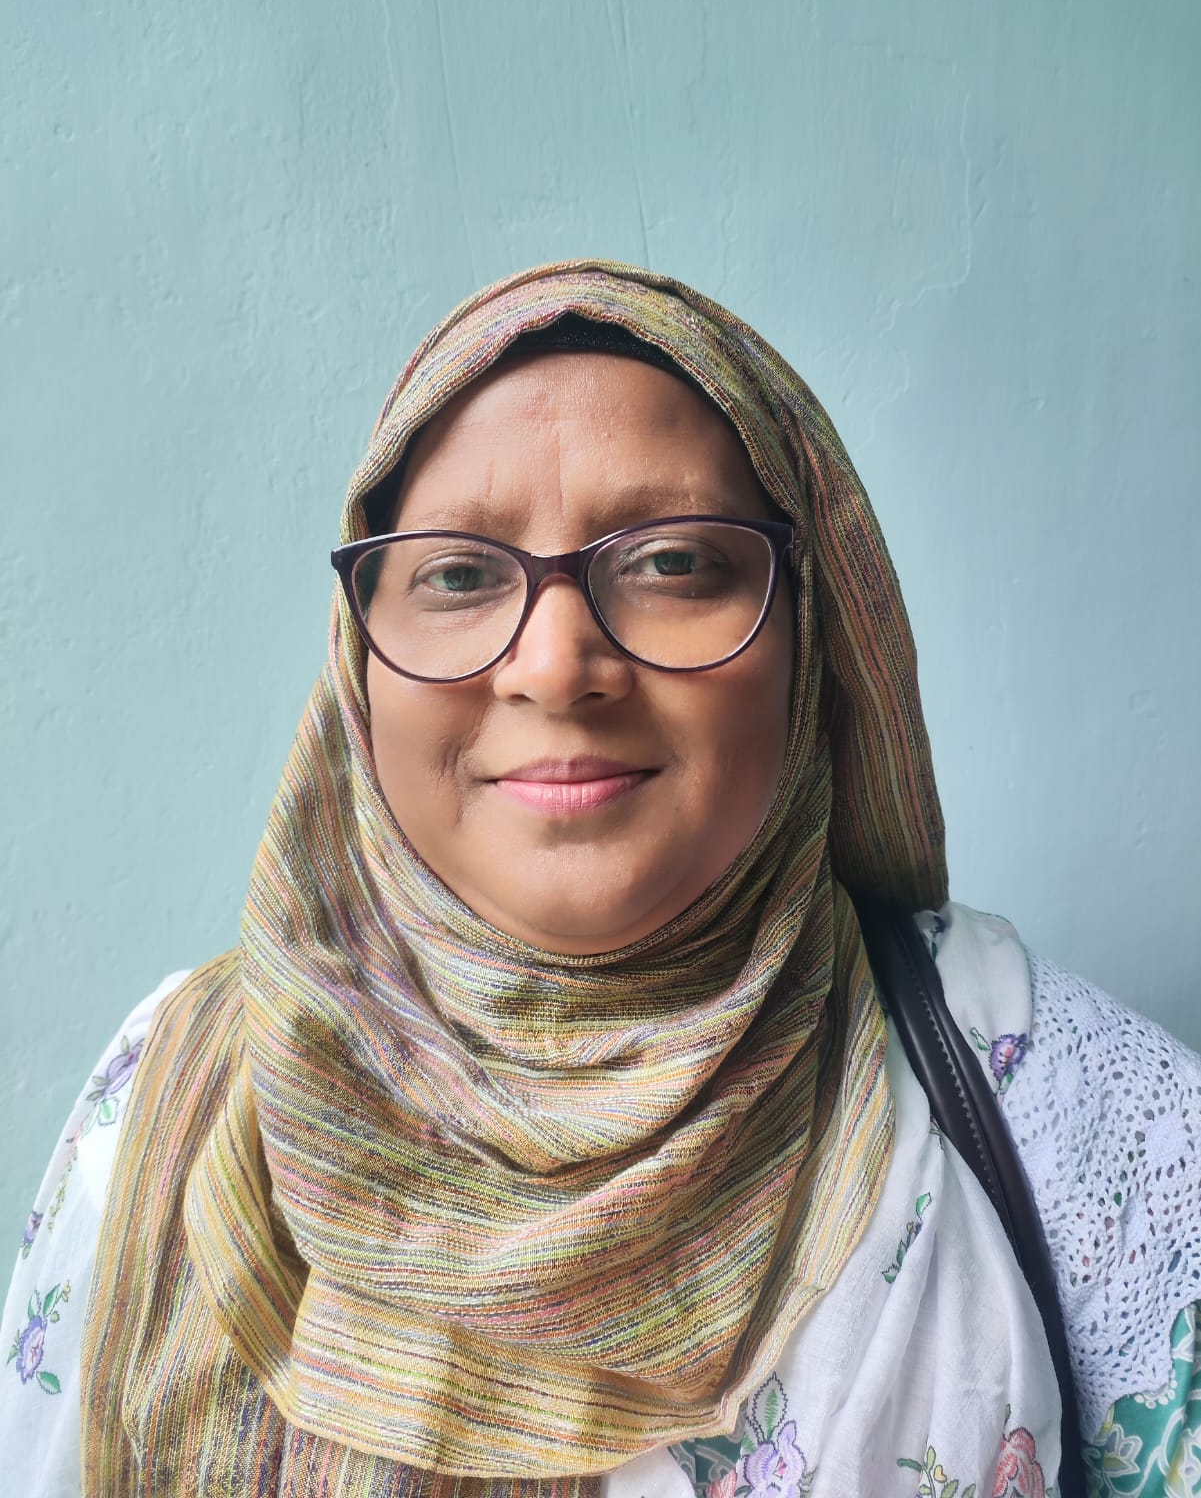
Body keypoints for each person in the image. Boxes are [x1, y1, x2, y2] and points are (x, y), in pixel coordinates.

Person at [3, 260, 1200, 1497]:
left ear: (813, 633)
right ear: (356, 661)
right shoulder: (174, 1089)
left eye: (673, 563)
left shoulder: (1061, 1112)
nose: (555, 664)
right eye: (458, 575)